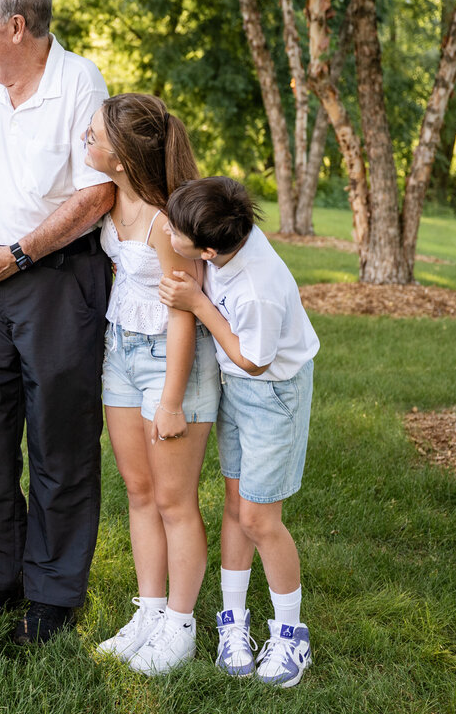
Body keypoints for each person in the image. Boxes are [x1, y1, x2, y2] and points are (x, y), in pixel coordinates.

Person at [0, 0, 115, 645]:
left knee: (60, 438)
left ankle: (52, 595)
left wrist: (20, 252)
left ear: (16, 27)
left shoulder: (80, 82)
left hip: (57, 278)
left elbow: (97, 193)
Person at [158, 176, 319, 687]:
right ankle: (233, 622)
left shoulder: (257, 291)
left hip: (272, 393)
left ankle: (292, 633)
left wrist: (200, 306)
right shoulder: (228, 237)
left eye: (178, 231)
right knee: (234, 503)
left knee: (259, 518)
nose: (167, 230)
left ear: (208, 249)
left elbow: (252, 360)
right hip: (239, 387)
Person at [83, 94, 221, 674]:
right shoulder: (112, 200)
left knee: (173, 501)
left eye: (93, 136)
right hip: (121, 350)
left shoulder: (169, 220)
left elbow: (185, 311)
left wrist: (171, 399)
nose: (84, 142)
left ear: (124, 153)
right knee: (139, 493)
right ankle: (150, 610)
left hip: (171, 360)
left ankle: (181, 627)